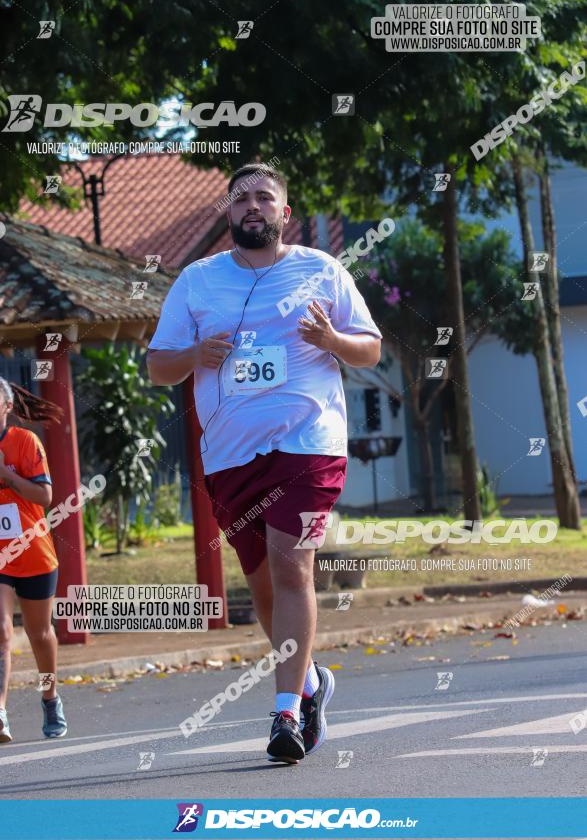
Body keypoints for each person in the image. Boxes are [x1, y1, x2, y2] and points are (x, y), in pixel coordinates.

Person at [147, 163, 381, 764]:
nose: (253, 206)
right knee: (262, 587)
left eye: (264, 197)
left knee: (291, 568)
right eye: (241, 199)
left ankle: (284, 714)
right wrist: (196, 353)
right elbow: (159, 367)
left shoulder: (322, 270)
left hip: (308, 444)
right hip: (229, 455)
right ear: (228, 213)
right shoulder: (197, 282)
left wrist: (332, 342)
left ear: (285, 212)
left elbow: (370, 347)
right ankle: (309, 682)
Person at [0, 378, 67, 742]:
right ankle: (0, 713)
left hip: (33, 550)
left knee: (40, 635)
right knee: (1, 631)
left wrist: (6, 475)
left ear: (6, 406)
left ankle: (49, 696)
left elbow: (44, 495)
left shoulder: (25, 442)